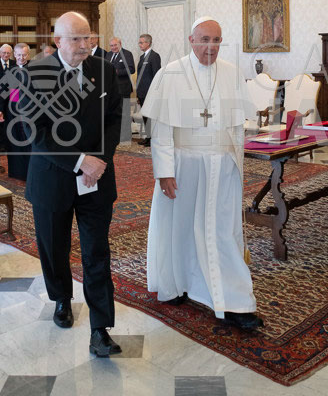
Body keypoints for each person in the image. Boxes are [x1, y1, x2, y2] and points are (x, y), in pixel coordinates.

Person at [141, 17, 263, 331]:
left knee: (222, 232)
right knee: (180, 228)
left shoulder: (232, 73)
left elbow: (238, 127)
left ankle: (235, 302)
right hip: (184, 165)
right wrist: (164, 171)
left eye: (216, 40)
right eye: (204, 39)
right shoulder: (170, 74)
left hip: (221, 167)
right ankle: (177, 284)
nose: (211, 46)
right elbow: (162, 130)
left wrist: (237, 166)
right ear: (191, 40)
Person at [22, 12, 123, 357]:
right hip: (52, 180)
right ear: (57, 41)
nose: (84, 45)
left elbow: (114, 121)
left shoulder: (104, 70)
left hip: (97, 180)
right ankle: (61, 298)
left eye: (88, 37)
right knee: (54, 248)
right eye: (76, 39)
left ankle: (100, 329)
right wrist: (81, 161)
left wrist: (99, 161)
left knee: (97, 252)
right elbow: (35, 132)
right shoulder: (35, 74)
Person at [0, 43, 31, 180]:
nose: (21, 58)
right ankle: (18, 172)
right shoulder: (9, 71)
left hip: (30, 112)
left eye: (24, 55)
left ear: (28, 55)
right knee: (14, 141)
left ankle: (31, 172)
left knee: (29, 142)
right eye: (19, 55)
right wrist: (0, 110)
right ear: (14, 55)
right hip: (13, 112)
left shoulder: (33, 70)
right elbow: (3, 93)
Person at [106, 37, 135, 142]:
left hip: (123, 89)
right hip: (111, 90)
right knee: (114, 113)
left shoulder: (127, 54)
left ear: (120, 44)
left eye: (115, 45)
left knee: (125, 113)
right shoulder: (108, 55)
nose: (113, 47)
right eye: (111, 45)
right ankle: (116, 134)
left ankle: (126, 136)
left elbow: (131, 69)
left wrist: (117, 71)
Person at [136, 34, 161, 147]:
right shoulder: (142, 57)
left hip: (149, 92)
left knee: (151, 116)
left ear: (148, 43)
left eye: (141, 42)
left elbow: (156, 75)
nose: (139, 45)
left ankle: (153, 138)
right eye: (139, 42)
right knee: (145, 116)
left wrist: (154, 93)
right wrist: (138, 93)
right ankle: (148, 137)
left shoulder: (154, 56)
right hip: (141, 92)